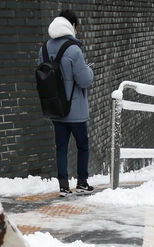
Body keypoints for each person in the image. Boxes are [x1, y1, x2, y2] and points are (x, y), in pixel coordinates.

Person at [41, 10, 94, 196]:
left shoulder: (44, 48)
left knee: (61, 148)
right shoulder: (74, 49)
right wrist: (89, 70)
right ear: (71, 25)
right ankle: (82, 183)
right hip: (76, 110)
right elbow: (85, 80)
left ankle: (63, 186)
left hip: (56, 108)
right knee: (82, 146)